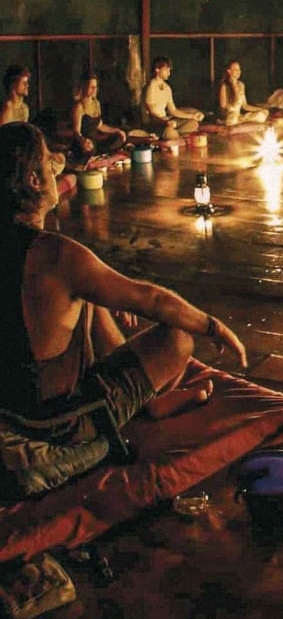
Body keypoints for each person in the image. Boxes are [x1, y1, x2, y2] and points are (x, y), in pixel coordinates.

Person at [0, 123, 248, 500]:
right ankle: (142, 406)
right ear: (35, 181)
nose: (57, 166)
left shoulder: (48, 255)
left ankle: (147, 400)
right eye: (49, 162)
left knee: (88, 295)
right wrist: (212, 327)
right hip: (61, 422)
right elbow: (152, 300)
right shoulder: (58, 256)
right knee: (177, 336)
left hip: (11, 408)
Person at [143, 57, 203, 139]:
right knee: (169, 132)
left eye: (169, 70)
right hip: (155, 123)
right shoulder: (151, 87)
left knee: (193, 123)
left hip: (167, 121)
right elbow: (152, 113)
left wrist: (192, 116)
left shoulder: (167, 87)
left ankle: (174, 134)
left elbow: (173, 110)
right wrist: (165, 122)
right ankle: (170, 135)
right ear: (157, 70)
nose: (169, 73)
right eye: (166, 70)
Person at [70, 72, 126, 158]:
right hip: (84, 144)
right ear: (84, 87)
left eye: (95, 87)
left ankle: (100, 154)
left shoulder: (96, 103)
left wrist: (117, 130)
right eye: (91, 87)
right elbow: (76, 132)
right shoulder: (79, 106)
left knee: (119, 137)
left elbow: (100, 126)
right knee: (88, 149)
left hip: (95, 141)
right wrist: (84, 141)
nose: (94, 89)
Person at [216, 60, 270, 126]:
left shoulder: (241, 85)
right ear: (229, 71)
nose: (239, 72)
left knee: (261, 115)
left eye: (239, 69)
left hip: (239, 117)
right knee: (232, 120)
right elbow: (223, 107)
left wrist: (261, 109)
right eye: (236, 69)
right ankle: (232, 122)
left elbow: (245, 106)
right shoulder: (224, 86)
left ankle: (241, 121)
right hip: (230, 117)